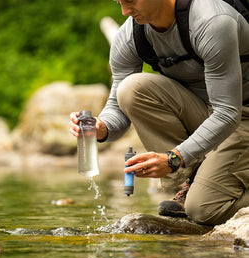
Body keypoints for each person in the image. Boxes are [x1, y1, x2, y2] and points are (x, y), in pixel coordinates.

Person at [70, 0, 249, 226]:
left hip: (240, 115)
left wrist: (174, 157)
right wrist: (101, 128)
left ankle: (204, 189)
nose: (125, 11)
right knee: (131, 88)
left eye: (130, 1)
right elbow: (118, 105)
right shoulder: (130, 36)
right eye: (120, 2)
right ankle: (193, 180)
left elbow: (227, 113)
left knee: (203, 211)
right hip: (206, 113)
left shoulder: (211, 22)